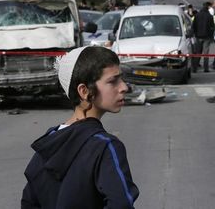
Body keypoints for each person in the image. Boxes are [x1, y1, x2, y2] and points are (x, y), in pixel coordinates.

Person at [21, 46, 139, 208]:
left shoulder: (48, 143)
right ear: (84, 91)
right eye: (113, 81)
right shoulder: (104, 147)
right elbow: (121, 203)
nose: (124, 87)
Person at [192, 2, 215, 73]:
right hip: (207, 37)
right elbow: (212, 27)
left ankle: (195, 68)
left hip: (198, 37)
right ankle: (206, 68)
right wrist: (211, 36)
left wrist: (195, 34)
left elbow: (194, 26)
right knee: (206, 53)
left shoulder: (197, 15)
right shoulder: (210, 16)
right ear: (208, 7)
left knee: (197, 53)